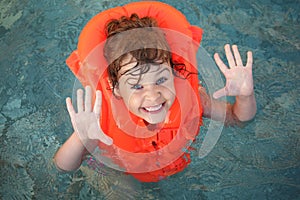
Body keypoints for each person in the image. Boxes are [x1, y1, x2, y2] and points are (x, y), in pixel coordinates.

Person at [53, 2, 256, 182]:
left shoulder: (196, 98)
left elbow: (237, 119)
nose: (152, 95)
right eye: (137, 86)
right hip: (122, 177)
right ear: (116, 90)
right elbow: (62, 167)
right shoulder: (101, 119)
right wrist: (80, 137)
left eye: (161, 80)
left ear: (174, 73)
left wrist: (245, 96)